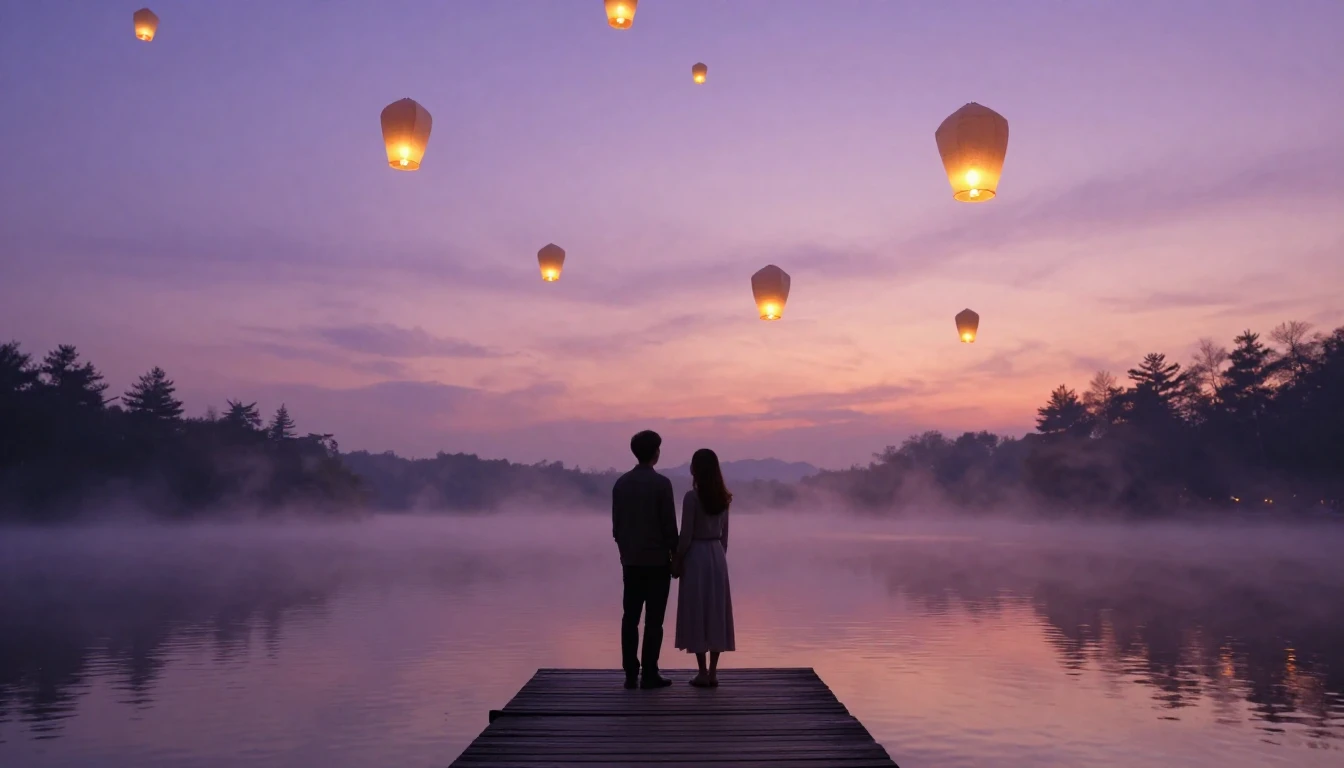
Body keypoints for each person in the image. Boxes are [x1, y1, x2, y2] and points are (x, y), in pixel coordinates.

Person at [611, 429, 678, 690]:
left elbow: (616, 526)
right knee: (654, 620)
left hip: (631, 561)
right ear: (655, 453)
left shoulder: (621, 484)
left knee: (630, 617)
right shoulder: (662, 484)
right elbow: (669, 527)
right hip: (658, 562)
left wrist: (624, 551)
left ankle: (630, 673)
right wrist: (675, 555)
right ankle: (649, 672)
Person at [674, 448, 736, 687]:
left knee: (698, 610)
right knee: (716, 611)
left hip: (697, 556)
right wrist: (720, 558)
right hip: (717, 556)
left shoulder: (692, 498)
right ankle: (713, 672)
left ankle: (701, 672)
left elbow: (686, 535)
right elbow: (725, 537)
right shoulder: (724, 498)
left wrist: (678, 559)